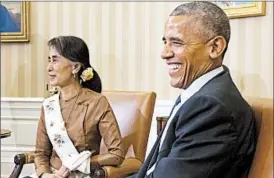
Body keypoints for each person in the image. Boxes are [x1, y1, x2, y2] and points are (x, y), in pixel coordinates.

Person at [130, 2, 256, 178]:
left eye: (176, 42)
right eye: (165, 42)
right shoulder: (199, 96)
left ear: (215, 48)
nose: (164, 53)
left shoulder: (211, 106)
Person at [28, 36, 124, 178]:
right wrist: (45, 175)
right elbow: (41, 153)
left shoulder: (97, 102)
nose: (49, 67)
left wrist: (79, 163)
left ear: (75, 67)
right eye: (49, 60)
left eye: (55, 60)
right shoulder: (49, 105)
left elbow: (116, 154)